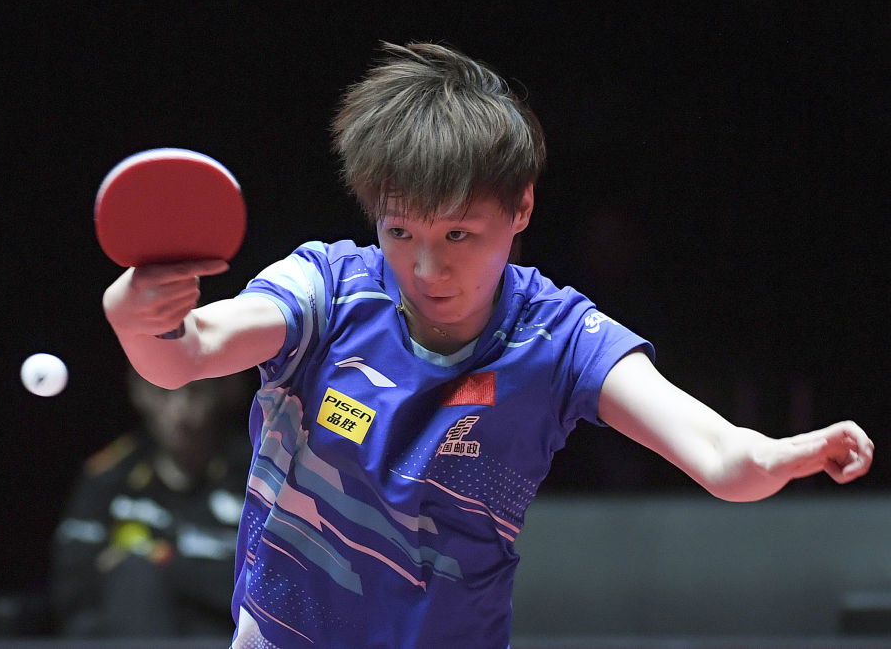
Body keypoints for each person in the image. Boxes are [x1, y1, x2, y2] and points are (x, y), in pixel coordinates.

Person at [100, 42, 874, 648]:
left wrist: (779, 456)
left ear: (522, 207)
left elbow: (719, 455)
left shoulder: (559, 338)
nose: (426, 268)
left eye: (459, 234)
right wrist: (134, 313)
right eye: (400, 231)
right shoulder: (326, 291)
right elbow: (184, 354)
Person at [51, 367, 255, 637]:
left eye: (195, 393)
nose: (180, 410)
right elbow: (71, 587)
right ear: (141, 392)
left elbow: (269, 587)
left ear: (225, 391)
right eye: (164, 392)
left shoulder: (257, 475)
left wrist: (162, 560)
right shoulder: (109, 475)